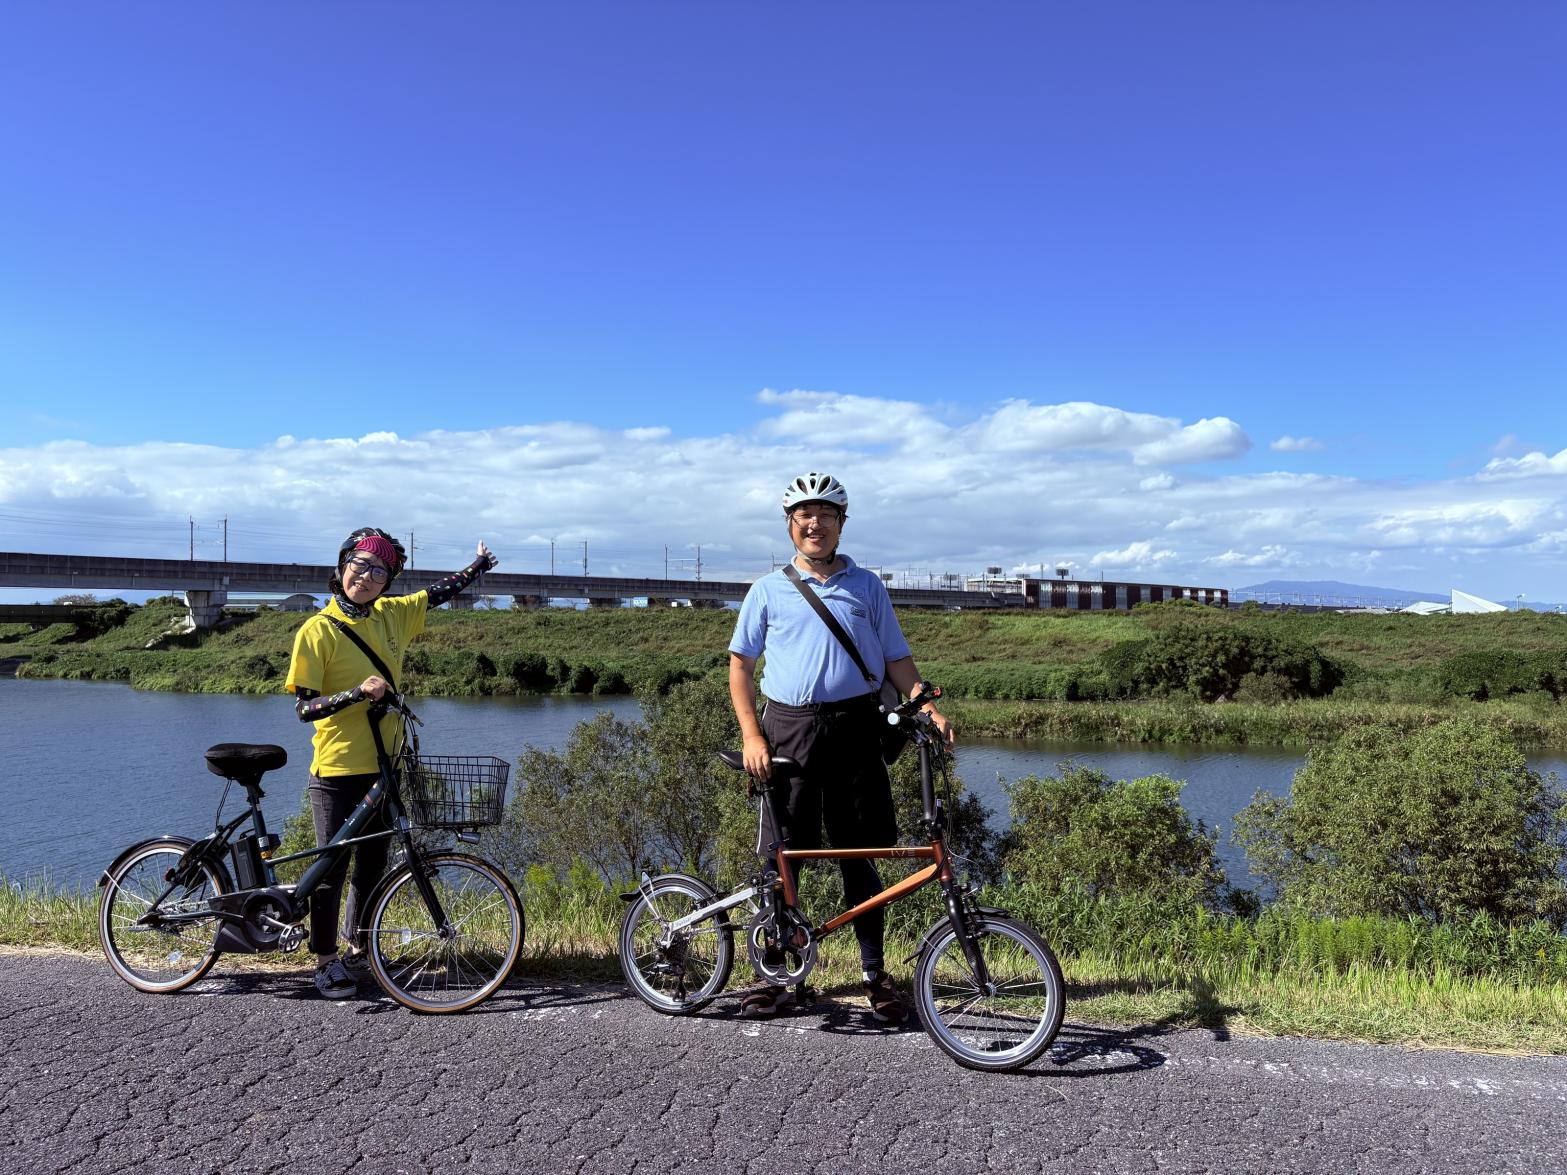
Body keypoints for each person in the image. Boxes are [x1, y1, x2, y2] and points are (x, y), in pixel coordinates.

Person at [728, 472, 954, 1022]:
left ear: (840, 525)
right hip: (789, 729)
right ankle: (774, 972)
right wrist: (751, 734)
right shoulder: (767, 589)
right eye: (804, 515)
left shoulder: (867, 586)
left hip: (857, 728)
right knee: (784, 856)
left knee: (859, 855)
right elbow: (740, 666)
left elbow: (897, 659)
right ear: (790, 525)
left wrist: (927, 707)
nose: (814, 524)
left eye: (825, 515)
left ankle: (874, 976)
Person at [285, 527, 497, 999]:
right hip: (338, 767)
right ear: (342, 567)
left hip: (387, 766)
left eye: (378, 570)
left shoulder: (391, 616)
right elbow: (304, 709)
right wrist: (356, 693)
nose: (366, 576)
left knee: (373, 863)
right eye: (359, 565)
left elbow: (439, 593)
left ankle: (357, 944)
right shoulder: (316, 630)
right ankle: (324, 963)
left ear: (388, 581)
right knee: (330, 867)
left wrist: (478, 566)